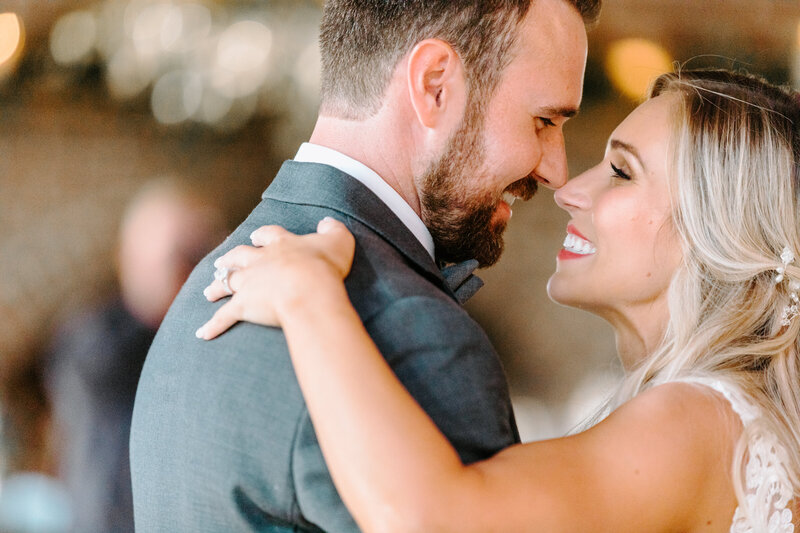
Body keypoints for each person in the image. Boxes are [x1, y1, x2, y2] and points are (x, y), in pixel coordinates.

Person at [197, 69, 800, 532]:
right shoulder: (729, 421)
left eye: (620, 172)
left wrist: (311, 301)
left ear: (717, 228)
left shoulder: (695, 421)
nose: (569, 189)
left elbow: (435, 520)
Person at [130, 0, 600, 531]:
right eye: (542, 121)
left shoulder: (208, 284)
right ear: (435, 85)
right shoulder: (417, 338)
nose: (558, 171)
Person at [45, 179, 224, 533]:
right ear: (128, 256)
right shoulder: (94, 339)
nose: (195, 269)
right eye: (184, 255)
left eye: (204, 252)